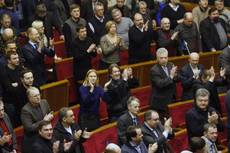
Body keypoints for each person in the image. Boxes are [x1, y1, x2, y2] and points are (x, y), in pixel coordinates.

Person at [21, 86, 54, 153]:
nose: (38, 97)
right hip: (33, 139)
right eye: (35, 96)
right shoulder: (25, 110)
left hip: (45, 135)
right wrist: (44, 121)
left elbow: (49, 115)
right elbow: (29, 128)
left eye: (39, 94)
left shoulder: (44, 102)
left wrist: (50, 117)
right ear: (29, 98)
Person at [150, 48, 178, 118]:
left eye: (165, 57)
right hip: (160, 103)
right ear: (157, 58)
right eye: (161, 58)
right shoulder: (154, 70)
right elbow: (160, 84)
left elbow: (176, 79)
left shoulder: (171, 65)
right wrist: (171, 76)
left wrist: (175, 76)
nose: (164, 60)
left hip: (171, 98)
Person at [0, 51, 22, 127]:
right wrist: (20, 83)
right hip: (10, 102)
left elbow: (23, 84)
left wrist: (17, 84)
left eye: (18, 58)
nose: (17, 60)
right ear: (9, 60)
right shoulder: (4, 72)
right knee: (14, 122)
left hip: (20, 99)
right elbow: (9, 88)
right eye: (14, 58)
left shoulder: (19, 68)